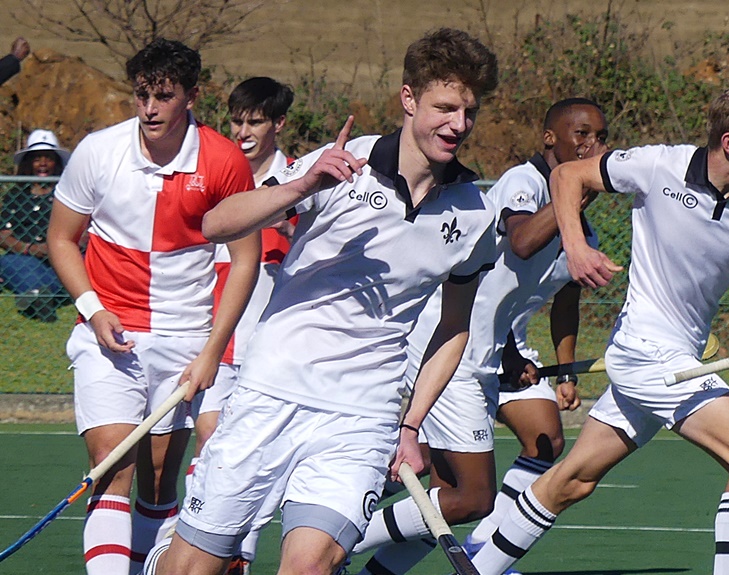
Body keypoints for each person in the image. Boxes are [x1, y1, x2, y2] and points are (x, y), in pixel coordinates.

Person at [468, 83, 729, 575]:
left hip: (678, 356)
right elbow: (570, 176)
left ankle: (480, 568)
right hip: (647, 354)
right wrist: (575, 248)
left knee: (571, 480)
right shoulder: (660, 166)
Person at [143, 27, 500, 575]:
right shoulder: (342, 163)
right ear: (409, 100)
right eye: (445, 107)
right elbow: (215, 223)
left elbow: (454, 329)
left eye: (469, 112)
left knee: (311, 567)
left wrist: (410, 426)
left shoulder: (475, 214)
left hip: (363, 415)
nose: (458, 125)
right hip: (270, 392)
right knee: (193, 568)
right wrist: (300, 187)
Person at [352, 98, 608, 575]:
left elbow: (527, 295)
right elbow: (520, 241)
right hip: (449, 347)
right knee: (472, 496)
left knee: (445, 488)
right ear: (550, 138)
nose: (593, 145)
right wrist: (570, 193)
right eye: (581, 134)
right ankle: (336, 543)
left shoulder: (584, 230)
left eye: (600, 136)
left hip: (485, 353)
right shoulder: (525, 183)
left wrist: (519, 354)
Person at [46, 38, 259, 575]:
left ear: (192, 95)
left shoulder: (223, 158)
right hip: (109, 340)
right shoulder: (99, 151)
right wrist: (93, 309)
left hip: (187, 340)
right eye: (142, 95)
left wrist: (214, 349)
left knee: (160, 482)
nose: (149, 108)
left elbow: (244, 258)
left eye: (163, 95)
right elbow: (61, 238)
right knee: (110, 464)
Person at [187, 76, 296, 575]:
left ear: (278, 123)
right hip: (214, 323)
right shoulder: (213, 167)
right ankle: (192, 546)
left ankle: (240, 553)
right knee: (210, 440)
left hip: (269, 335)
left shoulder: (298, 178)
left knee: (251, 453)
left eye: (255, 121)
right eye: (237, 120)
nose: (244, 131)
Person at [0, 129, 72, 321]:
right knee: (10, 264)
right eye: (36, 158)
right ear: (28, 163)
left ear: (56, 162)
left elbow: (84, 229)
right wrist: (29, 249)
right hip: (25, 256)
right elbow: (4, 235)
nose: (42, 163)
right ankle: (44, 295)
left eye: (48, 158)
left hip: (63, 253)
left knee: (73, 267)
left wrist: (60, 248)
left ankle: (36, 295)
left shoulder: (69, 193)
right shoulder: (15, 195)